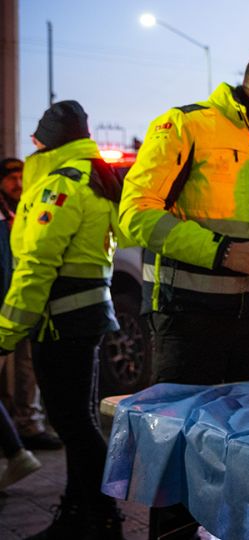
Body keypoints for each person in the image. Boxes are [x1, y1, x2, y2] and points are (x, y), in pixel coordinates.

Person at [120, 42, 249, 385]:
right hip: (187, 320)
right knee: (184, 429)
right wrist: (225, 252)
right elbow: (136, 213)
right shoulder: (184, 125)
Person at [0, 101, 127, 538]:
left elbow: (35, 265)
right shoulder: (94, 180)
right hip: (86, 320)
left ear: (48, 142)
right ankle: (80, 514)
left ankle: (103, 517)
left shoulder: (58, 186)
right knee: (80, 422)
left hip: (60, 324)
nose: (31, 149)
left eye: (36, 141)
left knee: (74, 425)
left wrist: (5, 334)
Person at [0, 158, 62, 452]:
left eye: (21, 176)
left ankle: (28, 425)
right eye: (11, 177)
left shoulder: (29, 207)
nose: (18, 183)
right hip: (9, 300)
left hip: (24, 298)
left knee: (26, 365)